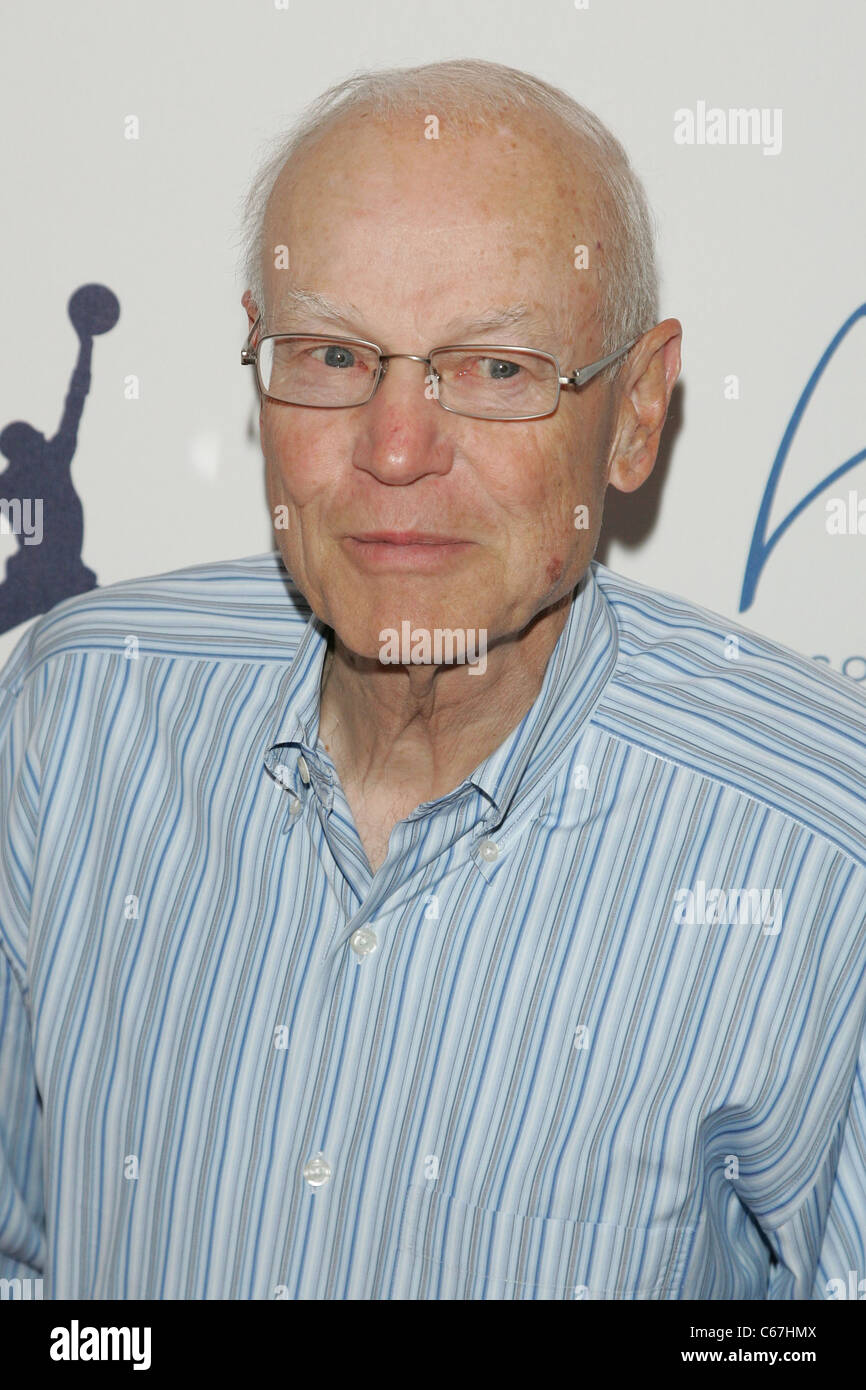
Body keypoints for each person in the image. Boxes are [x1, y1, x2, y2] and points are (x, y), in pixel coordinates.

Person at [1, 58, 864, 1301]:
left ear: (632, 412)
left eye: (495, 369)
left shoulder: (817, 846)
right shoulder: (75, 718)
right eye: (334, 355)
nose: (395, 447)